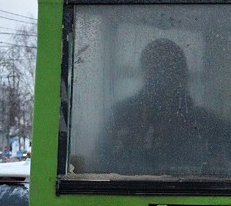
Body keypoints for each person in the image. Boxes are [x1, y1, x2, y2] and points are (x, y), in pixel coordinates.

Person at [96, 38, 224, 175]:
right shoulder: (121, 117)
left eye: (171, 70)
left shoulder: (205, 122)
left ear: (183, 75)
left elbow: (223, 171)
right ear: (145, 74)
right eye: (157, 70)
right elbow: (98, 170)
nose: (164, 79)